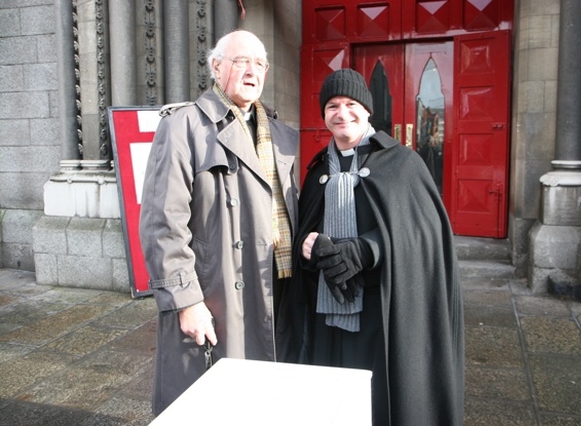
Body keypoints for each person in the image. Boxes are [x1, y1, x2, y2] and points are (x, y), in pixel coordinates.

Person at [289, 69, 464, 425]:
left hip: (383, 311)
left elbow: (424, 236)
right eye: (333, 106)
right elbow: (304, 233)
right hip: (328, 315)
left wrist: (367, 249)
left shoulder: (401, 163)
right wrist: (309, 249)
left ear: (367, 110)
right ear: (324, 115)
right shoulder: (317, 170)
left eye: (351, 104)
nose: (342, 113)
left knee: (380, 404)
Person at [139, 29, 299, 416]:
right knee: (212, 405)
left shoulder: (283, 135)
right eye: (242, 61)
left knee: (265, 401)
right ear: (216, 66)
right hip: (219, 292)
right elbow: (163, 223)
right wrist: (186, 301)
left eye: (260, 63)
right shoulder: (183, 126)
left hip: (279, 290)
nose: (253, 71)